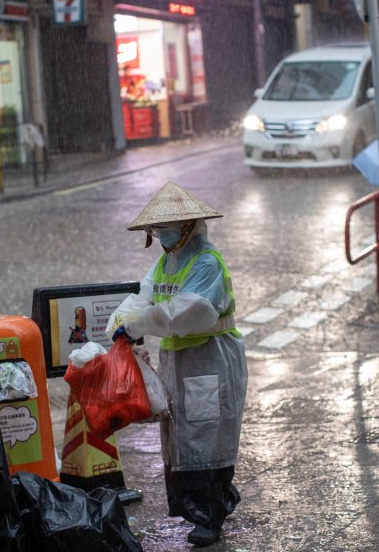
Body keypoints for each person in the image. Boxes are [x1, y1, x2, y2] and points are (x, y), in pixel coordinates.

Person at [107, 182, 247, 547]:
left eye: (164, 229)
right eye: (156, 231)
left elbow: (190, 312)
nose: (160, 235)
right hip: (178, 361)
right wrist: (123, 319)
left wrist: (140, 322)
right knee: (182, 435)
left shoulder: (207, 262)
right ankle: (205, 506)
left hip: (209, 359)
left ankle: (209, 515)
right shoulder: (167, 259)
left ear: (189, 225)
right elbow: (145, 295)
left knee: (205, 436)